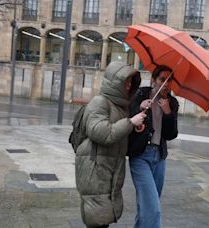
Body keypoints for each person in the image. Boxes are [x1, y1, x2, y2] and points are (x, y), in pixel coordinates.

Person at [75, 61, 146, 228]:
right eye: (126, 81)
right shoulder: (100, 102)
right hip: (95, 168)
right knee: (98, 218)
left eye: (131, 82)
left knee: (102, 217)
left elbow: (117, 133)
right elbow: (100, 132)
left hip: (108, 169)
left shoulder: (121, 107)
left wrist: (134, 126)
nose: (129, 86)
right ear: (115, 81)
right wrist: (129, 122)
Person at [127, 65, 179, 228]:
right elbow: (128, 116)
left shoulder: (172, 102)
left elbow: (171, 134)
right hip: (141, 156)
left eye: (169, 80)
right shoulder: (141, 94)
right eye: (162, 79)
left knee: (147, 207)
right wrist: (139, 107)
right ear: (154, 80)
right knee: (153, 209)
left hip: (160, 158)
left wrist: (168, 112)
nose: (166, 84)